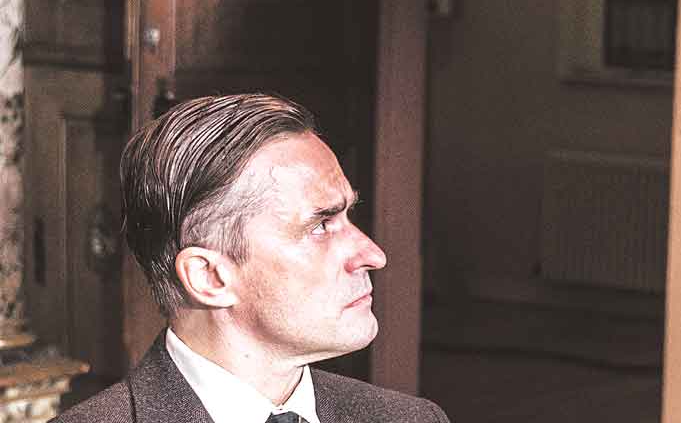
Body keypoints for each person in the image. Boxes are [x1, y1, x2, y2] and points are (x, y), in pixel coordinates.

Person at [54, 94, 449, 423]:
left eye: (348, 216)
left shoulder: (411, 418)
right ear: (209, 277)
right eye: (320, 226)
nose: (373, 255)